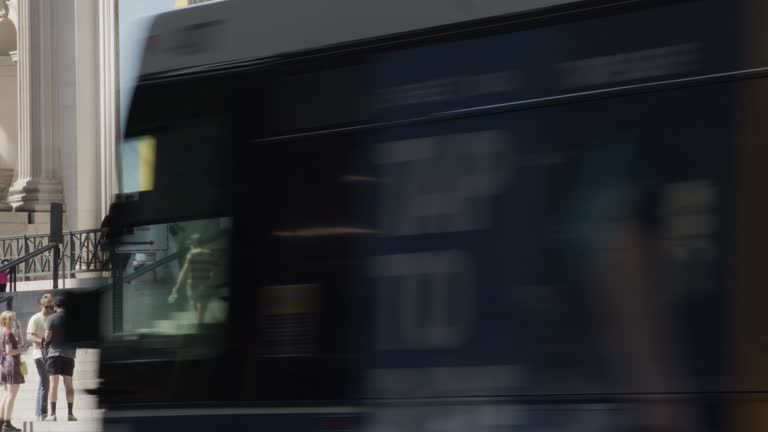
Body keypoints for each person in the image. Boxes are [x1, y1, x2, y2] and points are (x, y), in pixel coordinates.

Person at [168, 235, 218, 322]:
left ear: (194, 244)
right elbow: (216, 271)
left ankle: (200, 325)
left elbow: (183, 273)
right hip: (205, 286)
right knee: (202, 310)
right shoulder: (210, 254)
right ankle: (200, 322)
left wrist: (176, 289)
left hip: (193, 286)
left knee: (197, 309)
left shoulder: (191, 255)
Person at [44, 297, 76, 422]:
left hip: (54, 354)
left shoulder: (52, 318)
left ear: (56, 306)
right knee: (69, 384)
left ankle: (52, 414)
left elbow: (47, 337)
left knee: (53, 384)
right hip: (69, 354)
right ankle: (70, 413)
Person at [26, 294, 54, 421]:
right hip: (39, 354)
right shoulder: (35, 318)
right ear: (41, 305)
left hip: (51, 353)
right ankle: (42, 412)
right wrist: (42, 342)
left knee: (43, 383)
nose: (48, 309)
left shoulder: (52, 318)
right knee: (45, 382)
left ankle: (39, 412)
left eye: (50, 307)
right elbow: (29, 337)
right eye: (46, 307)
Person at [0, 311, 28, 432]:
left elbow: (20, 342)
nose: (15, 321)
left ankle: (2, 422)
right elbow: (10, 351)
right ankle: (7, 424)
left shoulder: (5, 332)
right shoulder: (7, 333)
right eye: (12, 319)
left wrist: (20, 329)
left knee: (7, 394)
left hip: (6, 365)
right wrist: (23, 349)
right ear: (6, 321)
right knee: (11, 395)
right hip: (12, 365)